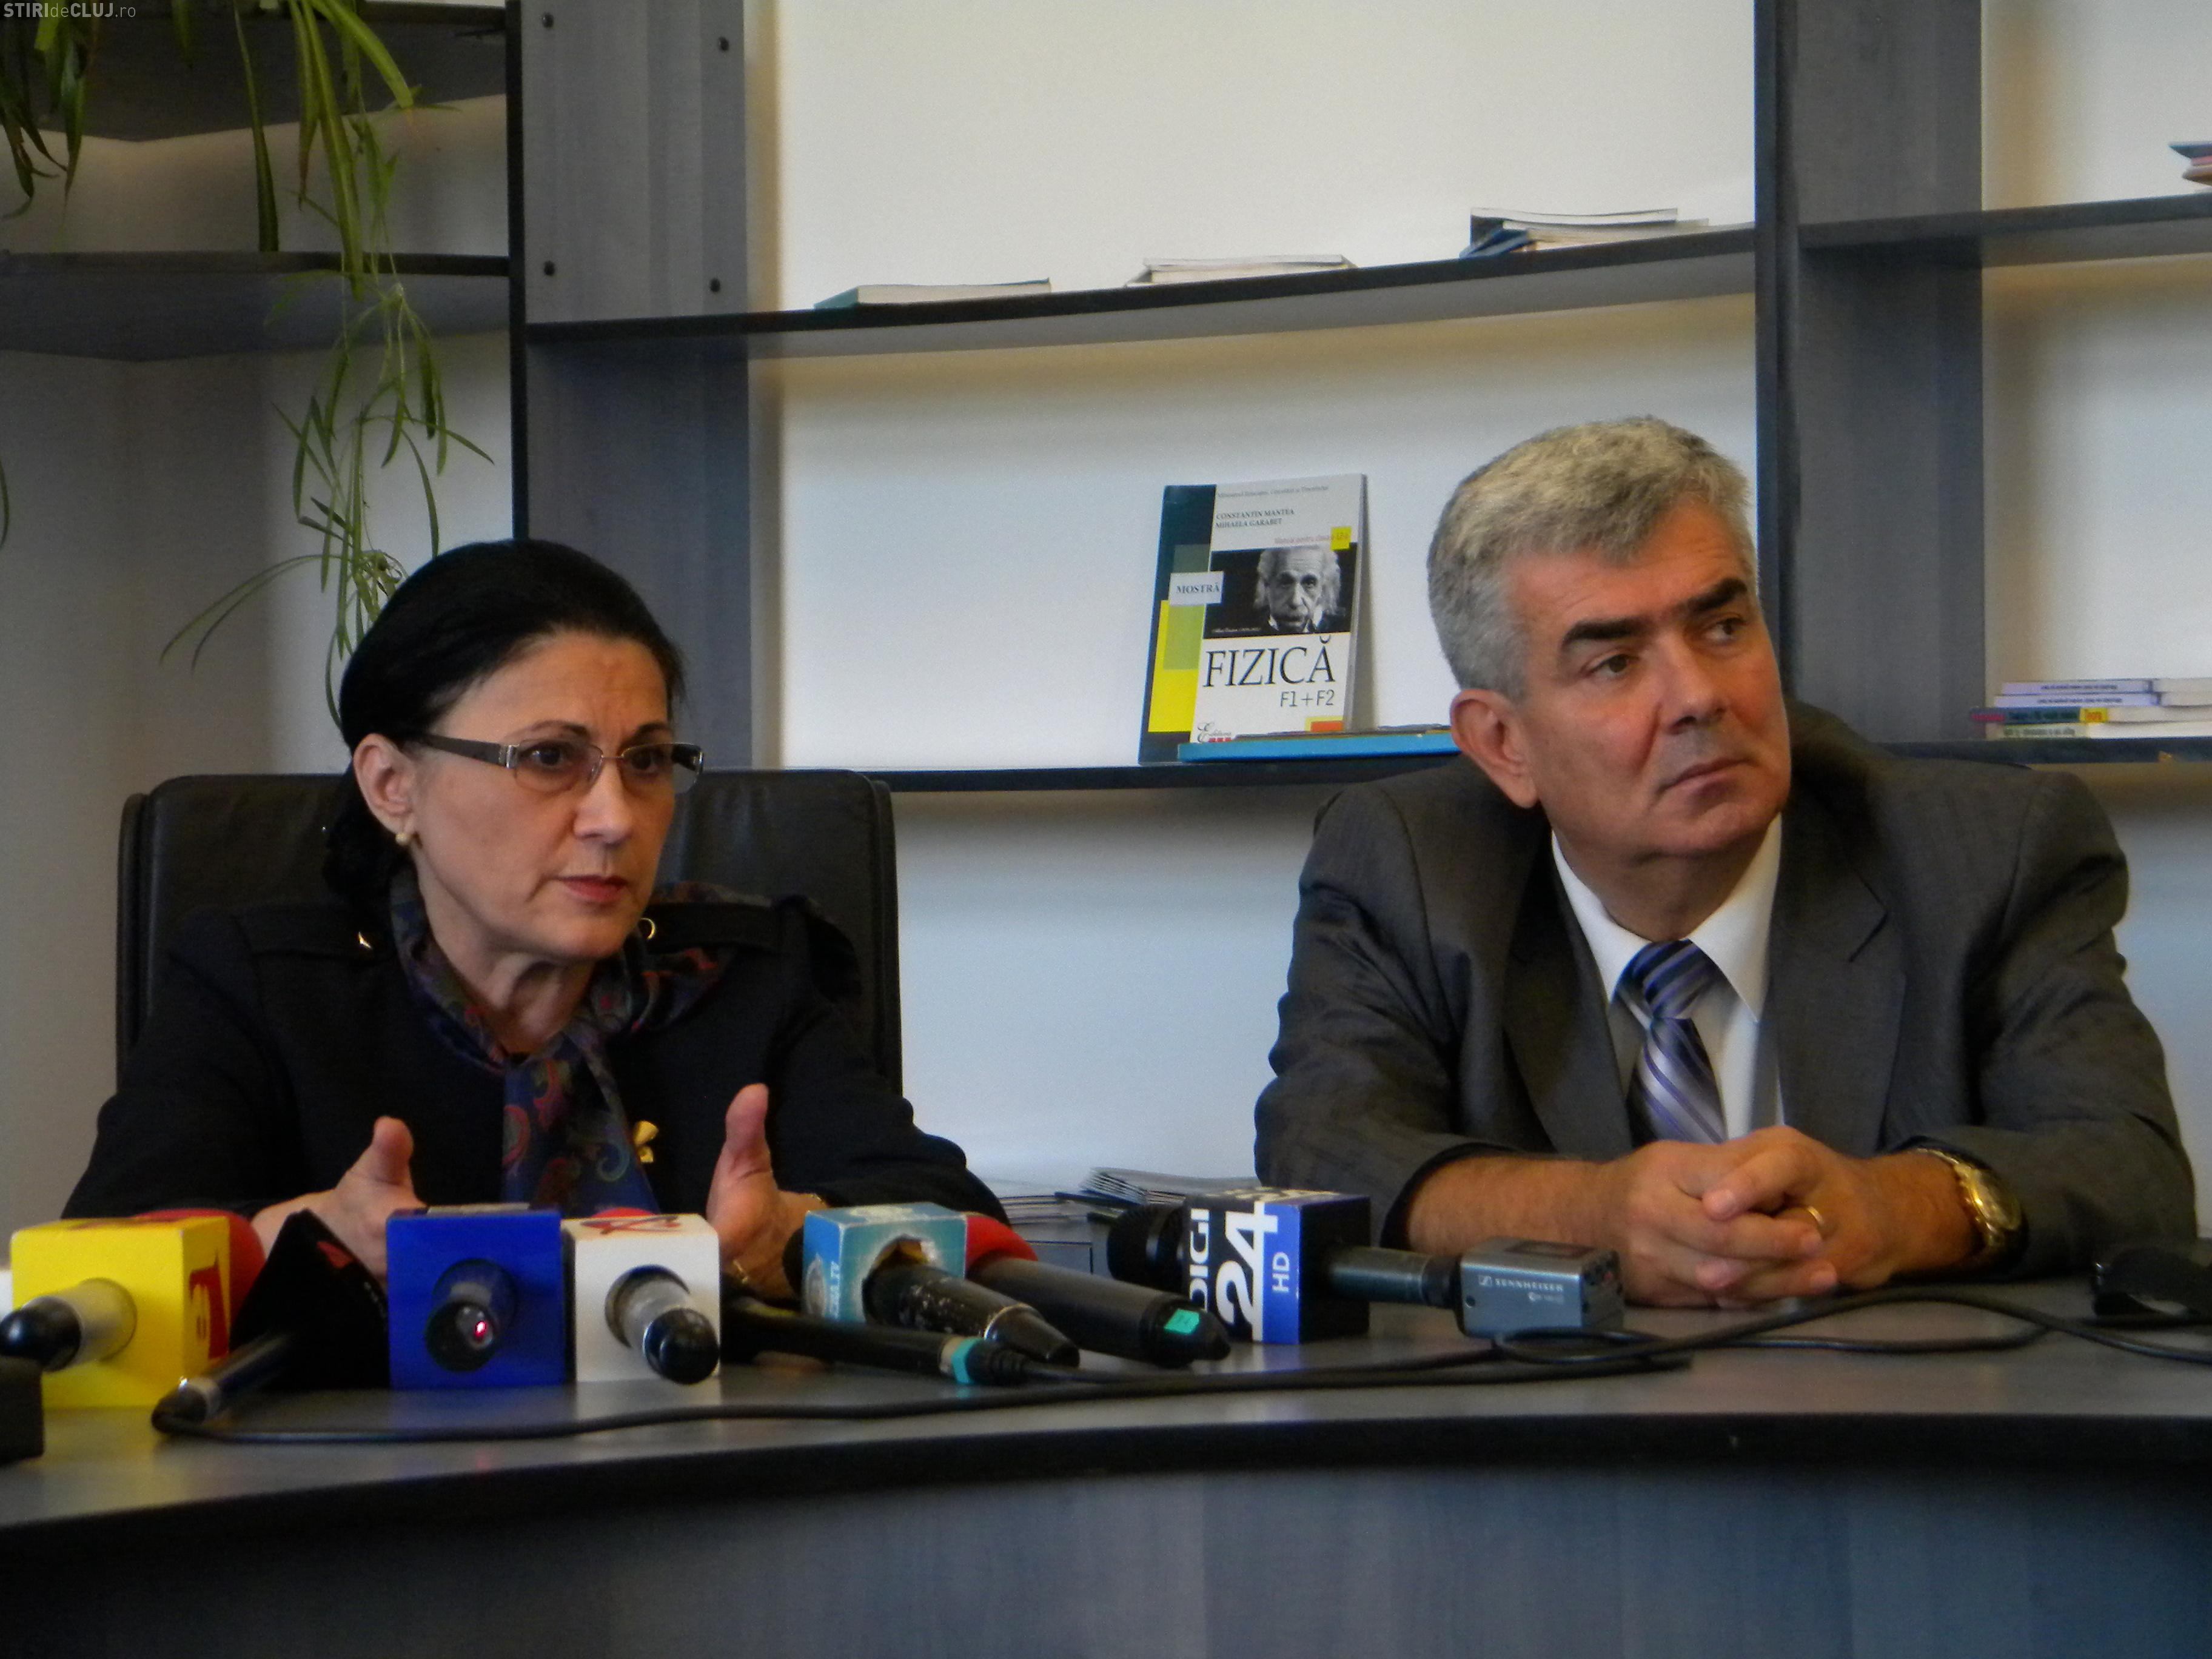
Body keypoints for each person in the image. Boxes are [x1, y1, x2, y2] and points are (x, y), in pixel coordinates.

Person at [1255, 418, 2194, 1306]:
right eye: (1616, 664)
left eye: (1723, 628)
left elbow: (2128, 1165)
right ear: (1503, 744)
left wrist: (1893, 1209)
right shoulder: (1410, 861)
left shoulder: (1985, 849)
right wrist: (1588, 1216)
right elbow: (1321, 1145)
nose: (1699, 697)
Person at [67, 539, 998, 1293]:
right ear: (393, 785)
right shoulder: (257, 986)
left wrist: (799, 1237)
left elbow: (963, 1222)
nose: (614, 818)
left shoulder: (743, 981)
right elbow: (96, 1264)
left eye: (646, 761)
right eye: (550, 758)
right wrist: (301, 1237)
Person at [1254, 545, 1346, 633]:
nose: (1295, 602)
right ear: (1266, 586)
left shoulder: (1342, 629)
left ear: (1323, 589)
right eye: (1285, 583)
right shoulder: (1250, 629)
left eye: (1309, 584)